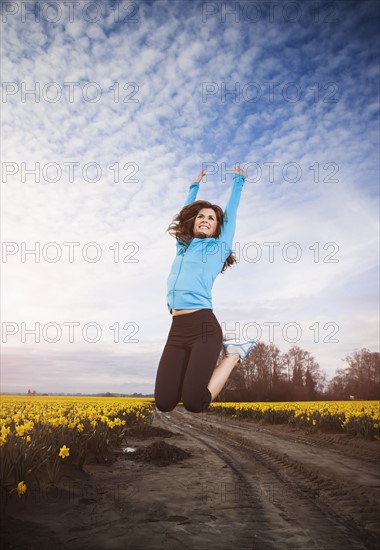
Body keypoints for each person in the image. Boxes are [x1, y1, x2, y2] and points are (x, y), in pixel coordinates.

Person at [154, 166, 256, 413]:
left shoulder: (218, 249)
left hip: (203, 328)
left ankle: (234, 354)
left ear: (216, 227)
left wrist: (238, 182)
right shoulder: (183, 248)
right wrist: (193, 188)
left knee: (194, 402)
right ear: (194, 222)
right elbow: (182, 217)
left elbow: (230, 215)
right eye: (201, 216)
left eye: (211, 218)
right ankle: (191, 375)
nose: (205, 220)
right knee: (165, 402)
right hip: (177, 330)